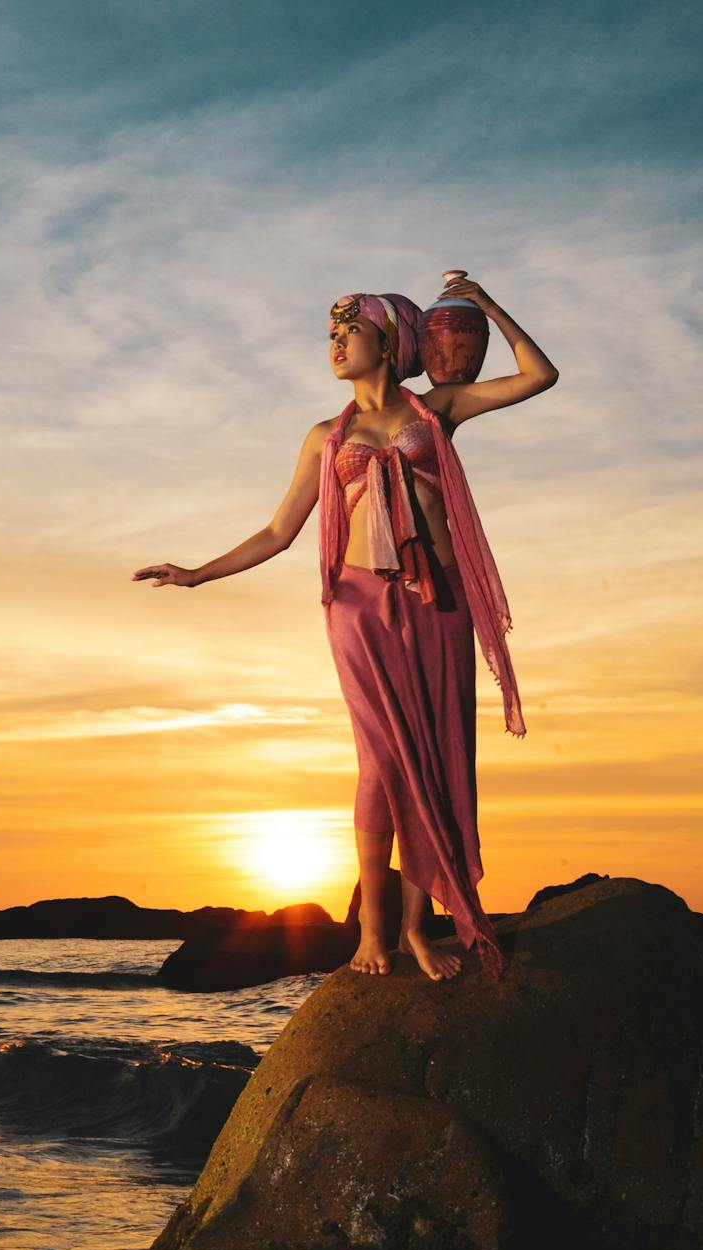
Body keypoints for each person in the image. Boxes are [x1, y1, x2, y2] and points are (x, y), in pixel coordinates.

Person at [132, 273, 557, 982]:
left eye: (347, 332)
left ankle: (419, 929)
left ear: (386, 342)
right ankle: (372, 925)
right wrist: (198, 573)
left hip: (437, 602)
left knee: (435, 760)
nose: (334, 345)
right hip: (357, 608)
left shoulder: (437, 411)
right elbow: (278, 531)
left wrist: (485, 306)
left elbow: (540, 376)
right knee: (382, 765)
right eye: (329, 335)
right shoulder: (327, 437)